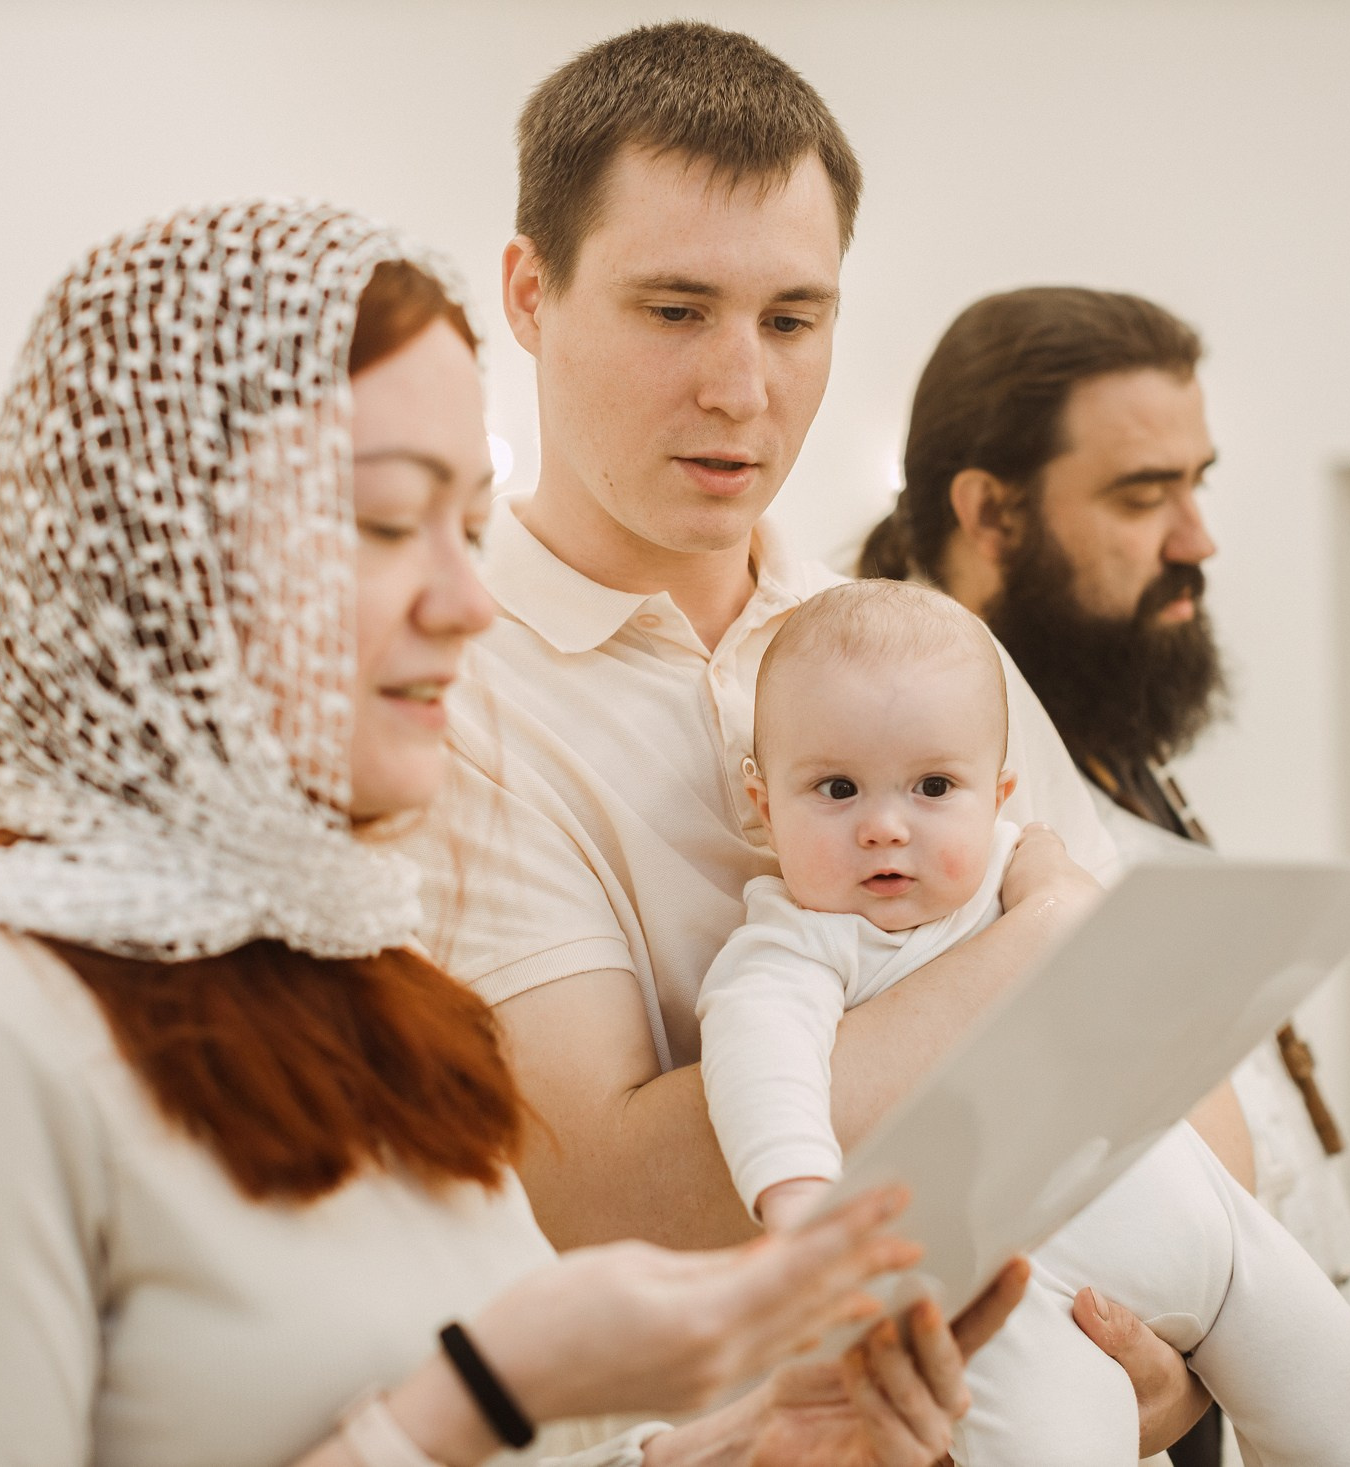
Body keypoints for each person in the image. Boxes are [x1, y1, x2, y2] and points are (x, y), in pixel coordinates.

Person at [0, 200, 1032, 1467]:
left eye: (465, 522)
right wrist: (481, 1389)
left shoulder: (377, 985)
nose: (467, 599)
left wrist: (736, 1442)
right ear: (170, 556)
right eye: (389, 522)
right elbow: (462, 1404)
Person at [402, 22, 1222, 1457]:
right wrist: (1036, 947)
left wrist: (1188, 1345)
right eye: (676, 311)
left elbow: (1185, 1060)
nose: (744, 388)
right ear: (531, 293)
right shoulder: (452, 692)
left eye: (793, 318)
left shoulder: (911, 643)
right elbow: (602, 1189)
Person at [860, 286, 1350, 1461]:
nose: (1196, 536)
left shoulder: (1099, 724)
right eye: (1145, 496)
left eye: (1196, 483)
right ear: (989, 511)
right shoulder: (891, 791)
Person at [696, 580, 1350, 1464]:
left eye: (933, 785)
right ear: (763, 805)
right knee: (1056, 1438)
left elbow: (1140, 990)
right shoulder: (799, 946)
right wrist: (798, 1206)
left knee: (1343, 1386)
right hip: (1022, 1276)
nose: (883, 826)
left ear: (999, 793)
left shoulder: (1025, 871)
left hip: (1198, 1209)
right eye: (836, 788)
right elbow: (762, 1063)